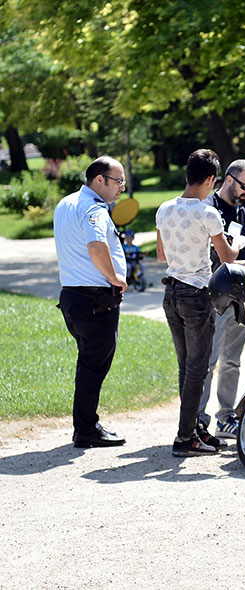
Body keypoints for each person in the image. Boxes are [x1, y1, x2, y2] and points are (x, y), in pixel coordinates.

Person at [156, 149, 239, 457]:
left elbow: (161, 255)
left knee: (185, 366)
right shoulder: (207, 213)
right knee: (197, 369)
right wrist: (238, 244)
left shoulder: (164, 209)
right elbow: (227, 257)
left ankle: (193, 428)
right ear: (210, 179)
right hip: (196, 294)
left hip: (171, 293)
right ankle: (185, 438)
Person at [54, 155, 128, 448]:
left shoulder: (66, 203)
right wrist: (116, 278)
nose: (121, 187)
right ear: (99, 180)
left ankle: (86, 424)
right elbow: (97, 247)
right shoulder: (95, 209)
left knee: (87, 364)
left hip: (71, 296)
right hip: (96, 299)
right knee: (93, 367)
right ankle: (86, 429)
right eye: (118, 181)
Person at [198, 159, 245, 440]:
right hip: (214, 296)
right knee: (207, 360)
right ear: (228, 179)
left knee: (232, 360)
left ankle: (225, 416)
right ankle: (198, 418)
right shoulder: (208, 210)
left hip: (243, 295)